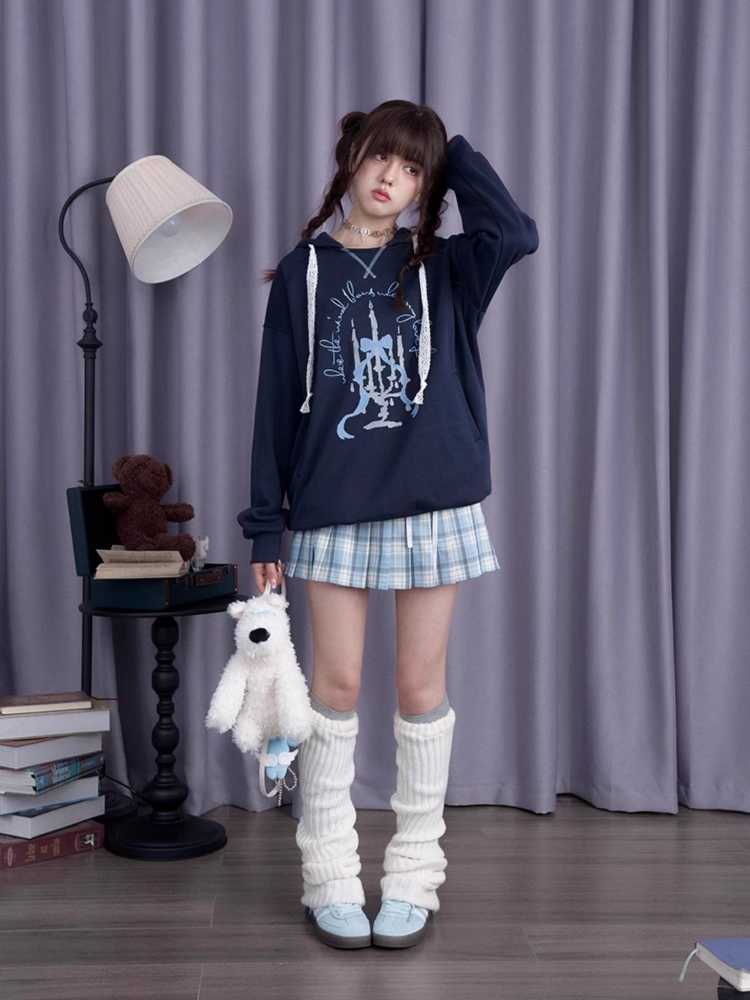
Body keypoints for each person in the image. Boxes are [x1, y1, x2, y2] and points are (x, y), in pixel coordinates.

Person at [237, 99, 539, 949]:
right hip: (334, 505)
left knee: (419, 690)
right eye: (380, 157)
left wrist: (451, 149)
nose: (389, 178)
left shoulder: (445, 266)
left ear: (425, 186)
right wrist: (264, 527)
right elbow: (273, 407)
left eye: (411, 169)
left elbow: (515, 233)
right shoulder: (305, 272)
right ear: (351, 158)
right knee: (333, 692)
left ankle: (414, 876)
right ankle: (329, 874)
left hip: (435, 503)